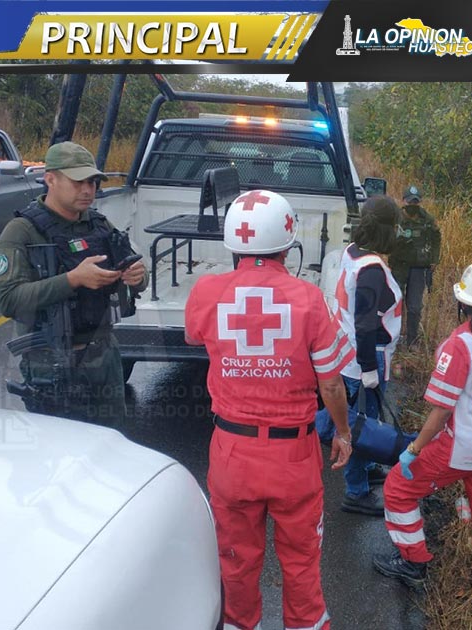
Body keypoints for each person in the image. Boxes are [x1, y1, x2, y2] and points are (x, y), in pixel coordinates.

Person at [185, 189, 354, 630]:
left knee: (236, 564)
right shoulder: (309, 299)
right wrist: (343, 432)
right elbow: (331, 382)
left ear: (234, 241)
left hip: (232, 453)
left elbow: (196, 338)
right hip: (292, 457)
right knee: (300, 563)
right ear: (287, 239)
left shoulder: (206, 292)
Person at [374, 259, 472, 602]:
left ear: (464, 304)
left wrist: (413, 451)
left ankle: (413, 564)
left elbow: (442, 411)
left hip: (461, 448)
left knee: (398, 489)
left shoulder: (459, 346)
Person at [0, 141, 146, 429]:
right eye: (78, 182)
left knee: (112, 445)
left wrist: (138, 277)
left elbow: (133, 270)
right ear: (50, 179)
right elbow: (9, 300)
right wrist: (72, 280)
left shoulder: (99, 225)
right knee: (59, 454)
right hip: (51, 363)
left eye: (92, 181)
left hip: (104, 356)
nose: (88, 190)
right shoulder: (22, 232)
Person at [319, 195, 404, 516]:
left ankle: (367, 468)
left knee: (362, 420)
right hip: (363, 358)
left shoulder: (353, 253)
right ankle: (356, 491)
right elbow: (366, 323)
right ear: (387, 230)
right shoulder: (371, 270)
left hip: (348, 353)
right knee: (359, 425)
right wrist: (369, 367)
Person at [389, 185, 442, 345]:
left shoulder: (427, 219)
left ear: (420, 202)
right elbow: (386, 236)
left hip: (419, 268)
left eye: (416, 202)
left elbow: (436, 238)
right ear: (403, 201)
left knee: (414, 307)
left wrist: (434, 260)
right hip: (398, 267)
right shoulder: (395, 218)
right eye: (410, 201)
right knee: (396, 304)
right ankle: (394, 337)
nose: (413, 205)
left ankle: (411, 340)